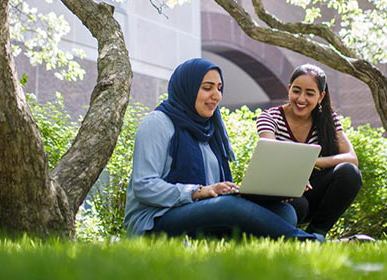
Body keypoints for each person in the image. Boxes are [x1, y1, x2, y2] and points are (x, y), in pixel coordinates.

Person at [124, 58, 317, 240]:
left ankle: (241, 252)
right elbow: (144, 186)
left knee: (284, 212)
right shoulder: (158, 123)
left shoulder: (210, 129)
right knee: (228, 206)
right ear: (187, 88)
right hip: (155, 219)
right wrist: (197, 191)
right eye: (207, 88)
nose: (216, 95)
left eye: (219, 88)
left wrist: (271, 191)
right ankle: (305, 241)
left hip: (201, 210)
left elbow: (214, 190)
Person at [256, 63, 363, 240]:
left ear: (321, 97)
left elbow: (351, 158)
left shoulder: (328, 120)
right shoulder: (270, 117)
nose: (301, 99)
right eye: (296, 91)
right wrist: (294, 173)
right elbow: (270, 154)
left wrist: (312, 161)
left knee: (349, 172)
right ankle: (290, 235)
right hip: (281, 190)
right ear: (288, 89)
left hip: (312, 188)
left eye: (310, 93)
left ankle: (316, 234)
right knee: (299, 205)